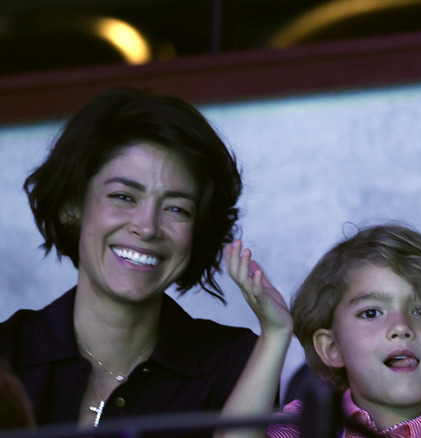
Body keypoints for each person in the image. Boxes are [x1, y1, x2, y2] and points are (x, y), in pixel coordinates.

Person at [0, 87, 289, 436]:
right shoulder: (7, 354)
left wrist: (276, 335)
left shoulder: (235, 362)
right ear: (71, 207)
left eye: (177, 209)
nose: (148, 227)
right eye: (123, 196)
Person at [265, 224, 421, 438]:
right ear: (332, 347)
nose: (401, 327)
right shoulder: (299, 427)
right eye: (371, 313)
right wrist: (275, 335)